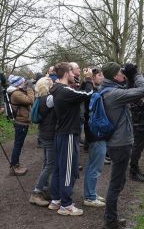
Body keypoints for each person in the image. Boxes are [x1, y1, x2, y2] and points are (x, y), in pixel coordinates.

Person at [100, 62, 144, 229]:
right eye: (121, 72)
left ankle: (111, 218)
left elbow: (128, 90)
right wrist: (136, 74)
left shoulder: (108, 90)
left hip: (117, 142)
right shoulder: (114, 94)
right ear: (114, 76)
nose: (124, 75)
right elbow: (143, 90)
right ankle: (111, 224)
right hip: (120, 143)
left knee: (118, 182)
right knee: (115, 184)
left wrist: (129, 77)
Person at [48, 62, 93, 216]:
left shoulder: (57, 89)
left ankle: (56, 200)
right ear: (66, 73)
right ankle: (66, 205)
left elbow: (76, 95)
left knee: (59, 168)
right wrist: (88, 79)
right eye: (73, 73)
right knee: (68, 169)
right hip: (68, 134)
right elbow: (88, 94)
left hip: (61, 132)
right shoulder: (64, 90)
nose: (75, 74)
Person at [82, 68, 107, 208]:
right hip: (95, 133)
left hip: (94, 132)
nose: (102, 77)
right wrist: (88, 79)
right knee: (95, 166)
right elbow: (88, 95)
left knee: (93, 165)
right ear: (92, 77)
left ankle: (91, 193)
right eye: (99, 75)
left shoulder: (94, 90)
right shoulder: (90, 91)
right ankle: (90, 197)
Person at [29, 76, 56, 207]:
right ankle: (36, 192)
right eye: (52, 83)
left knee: (46, 162)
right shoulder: (49, 99)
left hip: (44, 133)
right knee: (51, 164)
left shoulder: (39, 98)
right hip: (50, 134)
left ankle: (44, 188)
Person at [6, 75, 33, 176]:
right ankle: (13, 167)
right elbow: (30, 100)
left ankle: (16, 165)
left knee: (19, 144)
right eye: (23, 82)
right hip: (20, 122)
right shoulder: (16, 94)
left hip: (22, 121)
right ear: (18, 84)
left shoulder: (18, 91)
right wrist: (30, 88)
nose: (25, 83)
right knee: (18, 145)